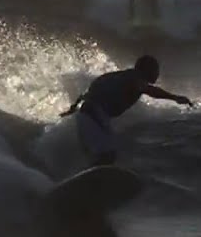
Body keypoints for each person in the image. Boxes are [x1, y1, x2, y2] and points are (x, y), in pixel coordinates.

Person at [60, 55, 193, 166]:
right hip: (95, 115)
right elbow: (149, 90)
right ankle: (94, 185)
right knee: (108, 155)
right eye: (156, 69)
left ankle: (88, 184)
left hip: (85, 115)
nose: (158, 73)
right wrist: (174, 97)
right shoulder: (136, 78)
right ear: (147, 70)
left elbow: (86, 93)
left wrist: (73, 109)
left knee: (98, 157)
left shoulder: (120, 76)